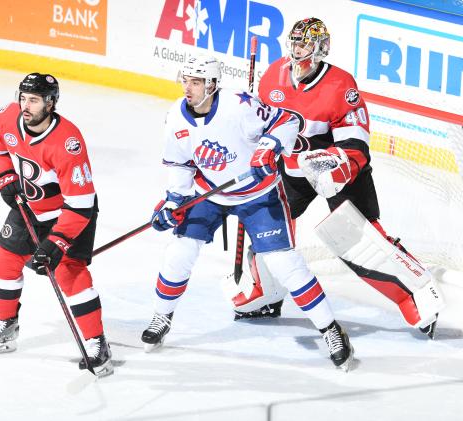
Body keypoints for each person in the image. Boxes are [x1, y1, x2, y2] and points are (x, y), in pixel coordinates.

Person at [141, 54, 354, 370]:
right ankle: (162, 315)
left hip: (258, 194)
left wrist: (269, 147)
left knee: (285, 264)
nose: (188, 87)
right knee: (179, 252)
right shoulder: (175, 117)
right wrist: (174, 202)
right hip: (208, 193)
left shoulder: (239, 105)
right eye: (185, 80)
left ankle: (330, 330)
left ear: (212, 84)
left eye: (196, 82)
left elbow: (288, 120)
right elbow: (180, 165)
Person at [233, 18, 442, 339]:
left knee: (356, 238)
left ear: (320, 49)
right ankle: (267, 291)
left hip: (337, 169)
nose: (297, 49)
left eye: (304, 44)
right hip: (292, 168)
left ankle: (416, 291)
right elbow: (263, 124)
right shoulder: (273, 76)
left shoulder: (341, 86)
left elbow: (356, 144)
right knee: (265, 221)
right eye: (295, 42)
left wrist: (335, 167)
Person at [0, 73, 113, 376]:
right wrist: (5, 176)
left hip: (70, 214)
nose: (25, 105)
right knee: (4, 259)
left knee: (68, 272)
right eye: (23, 97)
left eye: (33, 100)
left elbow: (81, 203)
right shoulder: (7, 118)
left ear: (50, 103)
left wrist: (56, 242)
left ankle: (96, 342)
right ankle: (7, 326)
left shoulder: (68, 142)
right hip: (30, 207)